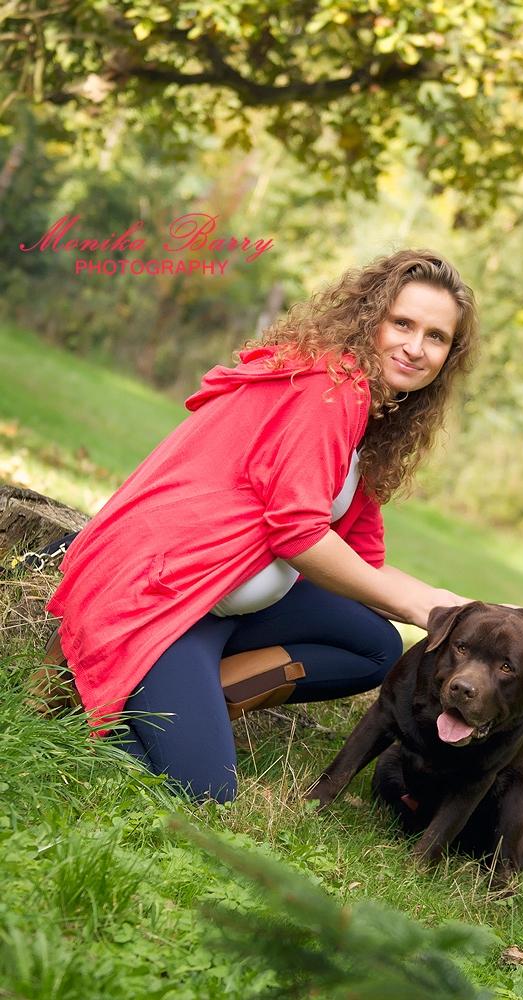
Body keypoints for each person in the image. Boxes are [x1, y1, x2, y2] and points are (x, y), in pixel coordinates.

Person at [45, 248, 482, 805]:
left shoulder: (373, 419)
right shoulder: (330, 389)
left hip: (227, 604)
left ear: (449, 354)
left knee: (375, 645)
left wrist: (460, 612)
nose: (415, 347)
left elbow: (363, 563)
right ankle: (106, 707)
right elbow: (298, 536)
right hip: (166, 593)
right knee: (204, 792)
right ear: (369, 317)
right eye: (402, 323)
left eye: (436, 337)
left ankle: (199, 696)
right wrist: (423, 609)